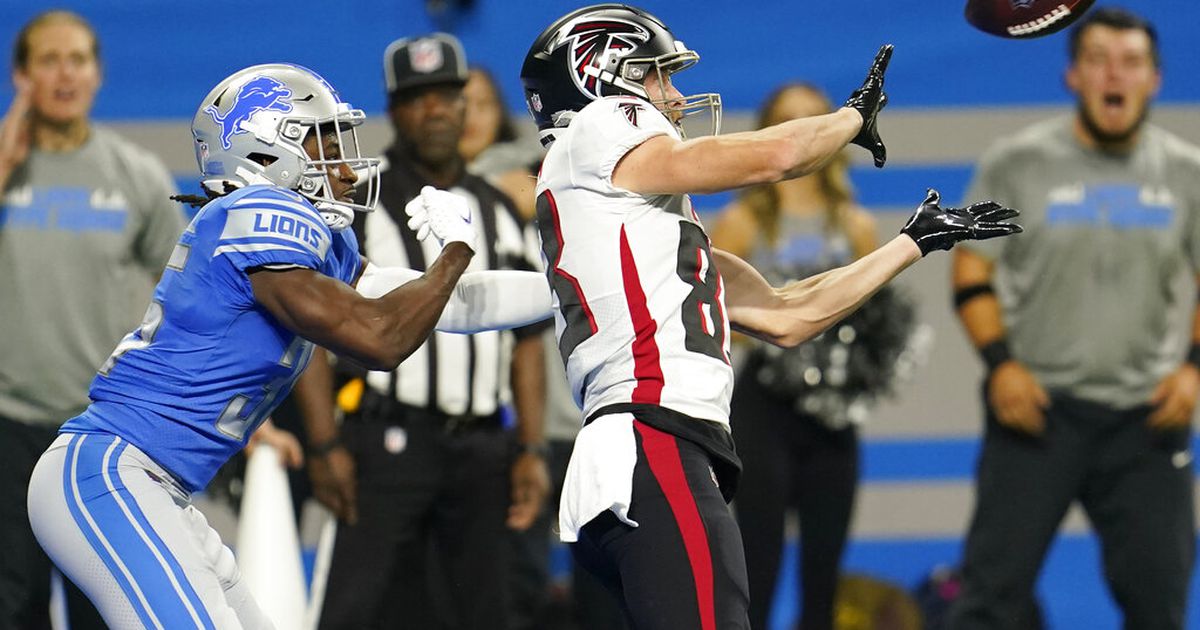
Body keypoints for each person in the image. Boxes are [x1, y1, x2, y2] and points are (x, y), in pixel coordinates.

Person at [518, 4, 1021, 629]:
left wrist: (914, 241)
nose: (673, 97)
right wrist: (850, 119)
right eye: (658, 76)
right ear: (601, 76)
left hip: (652, 451)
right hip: (652, 443)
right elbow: (776, 157)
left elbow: (791, 314)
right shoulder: (597, 129)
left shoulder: (640, 230)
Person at [25, 62, 552, 630]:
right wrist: (455, 250)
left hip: (159, 486)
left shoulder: (293, 235)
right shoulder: (257, 214)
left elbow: (441, 305)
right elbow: (379, 339)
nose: (346, 169)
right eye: (325, 143)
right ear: (265, 152)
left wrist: (576, 288)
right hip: (110, 473)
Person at [945, 8, 1200, 630]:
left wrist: (1193, 370)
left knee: (1158, 607)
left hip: (1146, 422)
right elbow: (972, 271)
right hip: (1036, 415)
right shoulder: (1017, 161)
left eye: (1132, 62)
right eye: (1098, 60)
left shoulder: (1189, 173)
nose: (1115, 74)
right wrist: (1001, 367)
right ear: (1073, 77)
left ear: (1155, 80)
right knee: (988, 604)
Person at [301, 33, 550, 630]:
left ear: (467, 105)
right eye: (418, 98)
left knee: (487, 611)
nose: (434, 109)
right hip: (387, 439)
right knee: (358, 610)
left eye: (445, 95)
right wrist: (324, 442)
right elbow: (307, 325)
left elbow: (529, 339)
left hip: (484, 446)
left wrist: (532, 449)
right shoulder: (357, 201)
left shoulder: (498, 207)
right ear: (392, 109)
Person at [0, 10, 185, 629]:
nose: (65, 73)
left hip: (99, 430)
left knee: (104, 604)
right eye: (48, 60)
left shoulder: (134, 175)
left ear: (98, 74)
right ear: (21, 75)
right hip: (7, 425)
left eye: (77, 59)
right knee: (14, 601)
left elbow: (190, 293)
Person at [709, 82, 889, 630]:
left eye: (815, 119)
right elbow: (712, 316)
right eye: (789, 121)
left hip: (833, 415)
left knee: (823, 570)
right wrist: (783, 333)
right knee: (757, 562)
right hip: (764, 408)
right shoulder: (741, 221)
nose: (804, 132)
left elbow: (872, 316)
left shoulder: (855, 225)